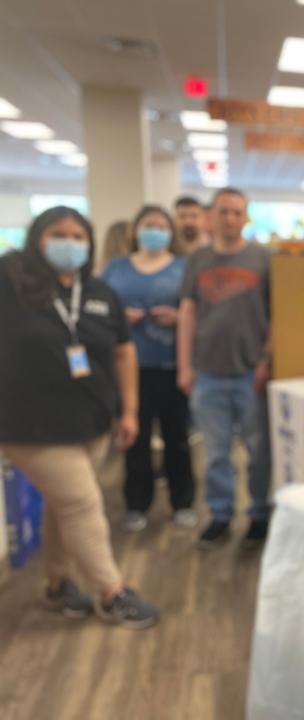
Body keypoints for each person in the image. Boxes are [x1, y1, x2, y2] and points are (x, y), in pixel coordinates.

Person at [0, 206, 160, 628]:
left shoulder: (100, 293)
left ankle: (57, 585)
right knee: (82, 504)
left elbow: (124, 352)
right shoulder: (11, 281)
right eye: (59, 234)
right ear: (37, 237)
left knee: (63, 506)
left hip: (91, 422)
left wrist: (129, 410)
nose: (69, 243)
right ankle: (111, 593)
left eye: (78, 236)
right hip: (30, 425)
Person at [177, 187, 272, 548]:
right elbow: (188, 313)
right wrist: (185, 366)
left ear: (245, 217)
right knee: (215, 452)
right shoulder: (198, 259)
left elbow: (276, 314)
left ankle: (259, 513)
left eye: (236, 212)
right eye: (223, 211)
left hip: (251, 373)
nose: (229, 218)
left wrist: (266, 360)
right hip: (207, 374)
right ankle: (219, 514)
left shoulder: (262, 258)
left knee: (258, 451)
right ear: (210, 217)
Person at [102, 205, 195, 532]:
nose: (154, 230)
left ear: (171, 232)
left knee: (177, 438)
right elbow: (98, 308)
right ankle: (136, 504)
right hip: (129, 370)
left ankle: (182, 502)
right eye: (148, 224)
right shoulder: (115, 268)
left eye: (161, 225)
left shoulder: (184, 267)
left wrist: (176, 317)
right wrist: (118, 318)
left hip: (172, 367)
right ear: (135, 230)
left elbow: (196, 312)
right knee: (134, 439)